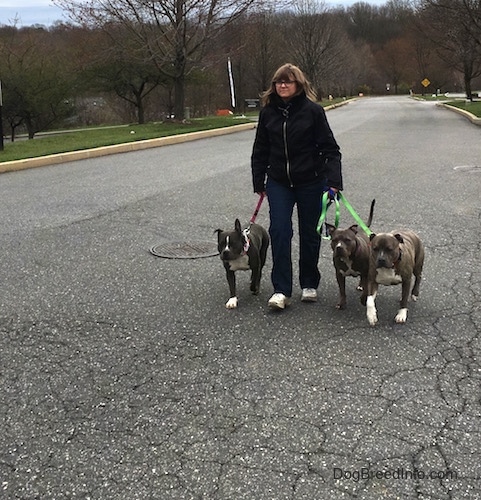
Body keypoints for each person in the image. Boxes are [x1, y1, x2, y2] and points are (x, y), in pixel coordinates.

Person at [251, 63, 343, 310]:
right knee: (280, 232)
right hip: (279, 182)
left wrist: (334, 182)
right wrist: (259, 180)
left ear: (298, 85)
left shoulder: (313, 112)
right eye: (278, 82)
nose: (282, 85)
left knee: (310, 233)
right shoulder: (268, 113)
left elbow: (331, 150)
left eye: (287, 82)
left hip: (311, 181)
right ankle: (281, 289)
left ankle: (309, 283)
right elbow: (260, 149)